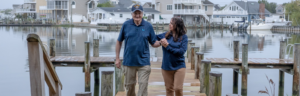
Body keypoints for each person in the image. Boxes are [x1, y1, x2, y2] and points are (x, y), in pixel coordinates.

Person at [115, 4, 161, 96]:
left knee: (143, 89)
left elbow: (153, 43)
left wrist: (160, 43)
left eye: (139, 13)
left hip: (144, 63)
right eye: (135, 13)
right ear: (131, 14)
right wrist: (117, 58)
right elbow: (119, 41)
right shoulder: (126, 25)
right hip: (129, 62)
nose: (137, 15)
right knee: (130, 89)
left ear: (142, 13)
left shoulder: (148, 26)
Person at [156, 17, 188, 96]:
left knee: (178, 89)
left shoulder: (184, 37)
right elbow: (152, 37)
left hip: (179, 66)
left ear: (177, 25)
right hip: (166, 66)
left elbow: (181, 52)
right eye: (169, 23)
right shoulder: (165, 35)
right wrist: (160, 42)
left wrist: (167, 46)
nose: (169, 25)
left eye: (172, 23)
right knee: (169, 89)